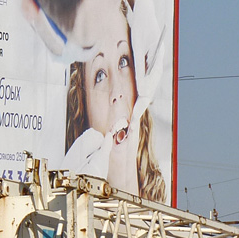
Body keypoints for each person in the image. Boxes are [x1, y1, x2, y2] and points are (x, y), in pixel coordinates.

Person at [62, 0, 167, 201]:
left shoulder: (166, 213)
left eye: (123, 61)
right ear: (83, 110)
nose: (117, 92)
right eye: (99, 75)